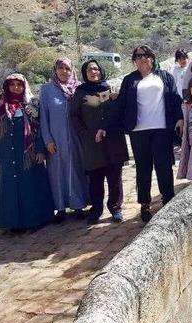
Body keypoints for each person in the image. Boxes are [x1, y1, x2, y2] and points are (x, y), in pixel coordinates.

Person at [98, 45, 183, 223]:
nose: (143, 58)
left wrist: (179, 119)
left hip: (162, 129)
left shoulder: (165, 77)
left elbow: (175, 99)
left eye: (146, 55)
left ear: (152, 58)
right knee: (143, 169)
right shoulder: (129, 80)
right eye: (138, 56)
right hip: (138, 132)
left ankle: (168, 199)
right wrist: (105, 126)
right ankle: (145, 204)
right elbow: (120, 105)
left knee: (164, 166)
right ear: (134, 60)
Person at [0, 73, 55, 232]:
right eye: (12, 85)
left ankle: (35, 221)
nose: (16, 88)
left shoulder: (32, 104)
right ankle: (12, 222)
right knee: (9, 186)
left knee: (30, 186)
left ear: (24, 86)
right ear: (7, 86)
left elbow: (38, 129)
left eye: (19, 84)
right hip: (7, 152)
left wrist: (39, 149)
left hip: (28, 153)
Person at [70, 60, 129, 225]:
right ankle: (96, 210)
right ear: (84, 73)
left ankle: (116, 208)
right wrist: (84, 134)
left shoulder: (110, 89)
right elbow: (74, 116)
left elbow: (118, 112)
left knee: (114, 177)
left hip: (113, 139)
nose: (93, 71)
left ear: (101, 71)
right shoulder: (80, 92)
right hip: (91, 142)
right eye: (89, 69)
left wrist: (117, 99)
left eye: (96, 68)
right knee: (95, 178)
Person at [40, 57, 89, 222]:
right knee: (56, 173)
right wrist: (48, 140)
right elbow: (43, 118)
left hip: (76, 139)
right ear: (55, 70)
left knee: (76, 170)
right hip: (56, 139)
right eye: (61, 68)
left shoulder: (79, 88)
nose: (64, 71)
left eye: (67, 68)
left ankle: (78, 205)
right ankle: (60, 208)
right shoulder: (47, 90)